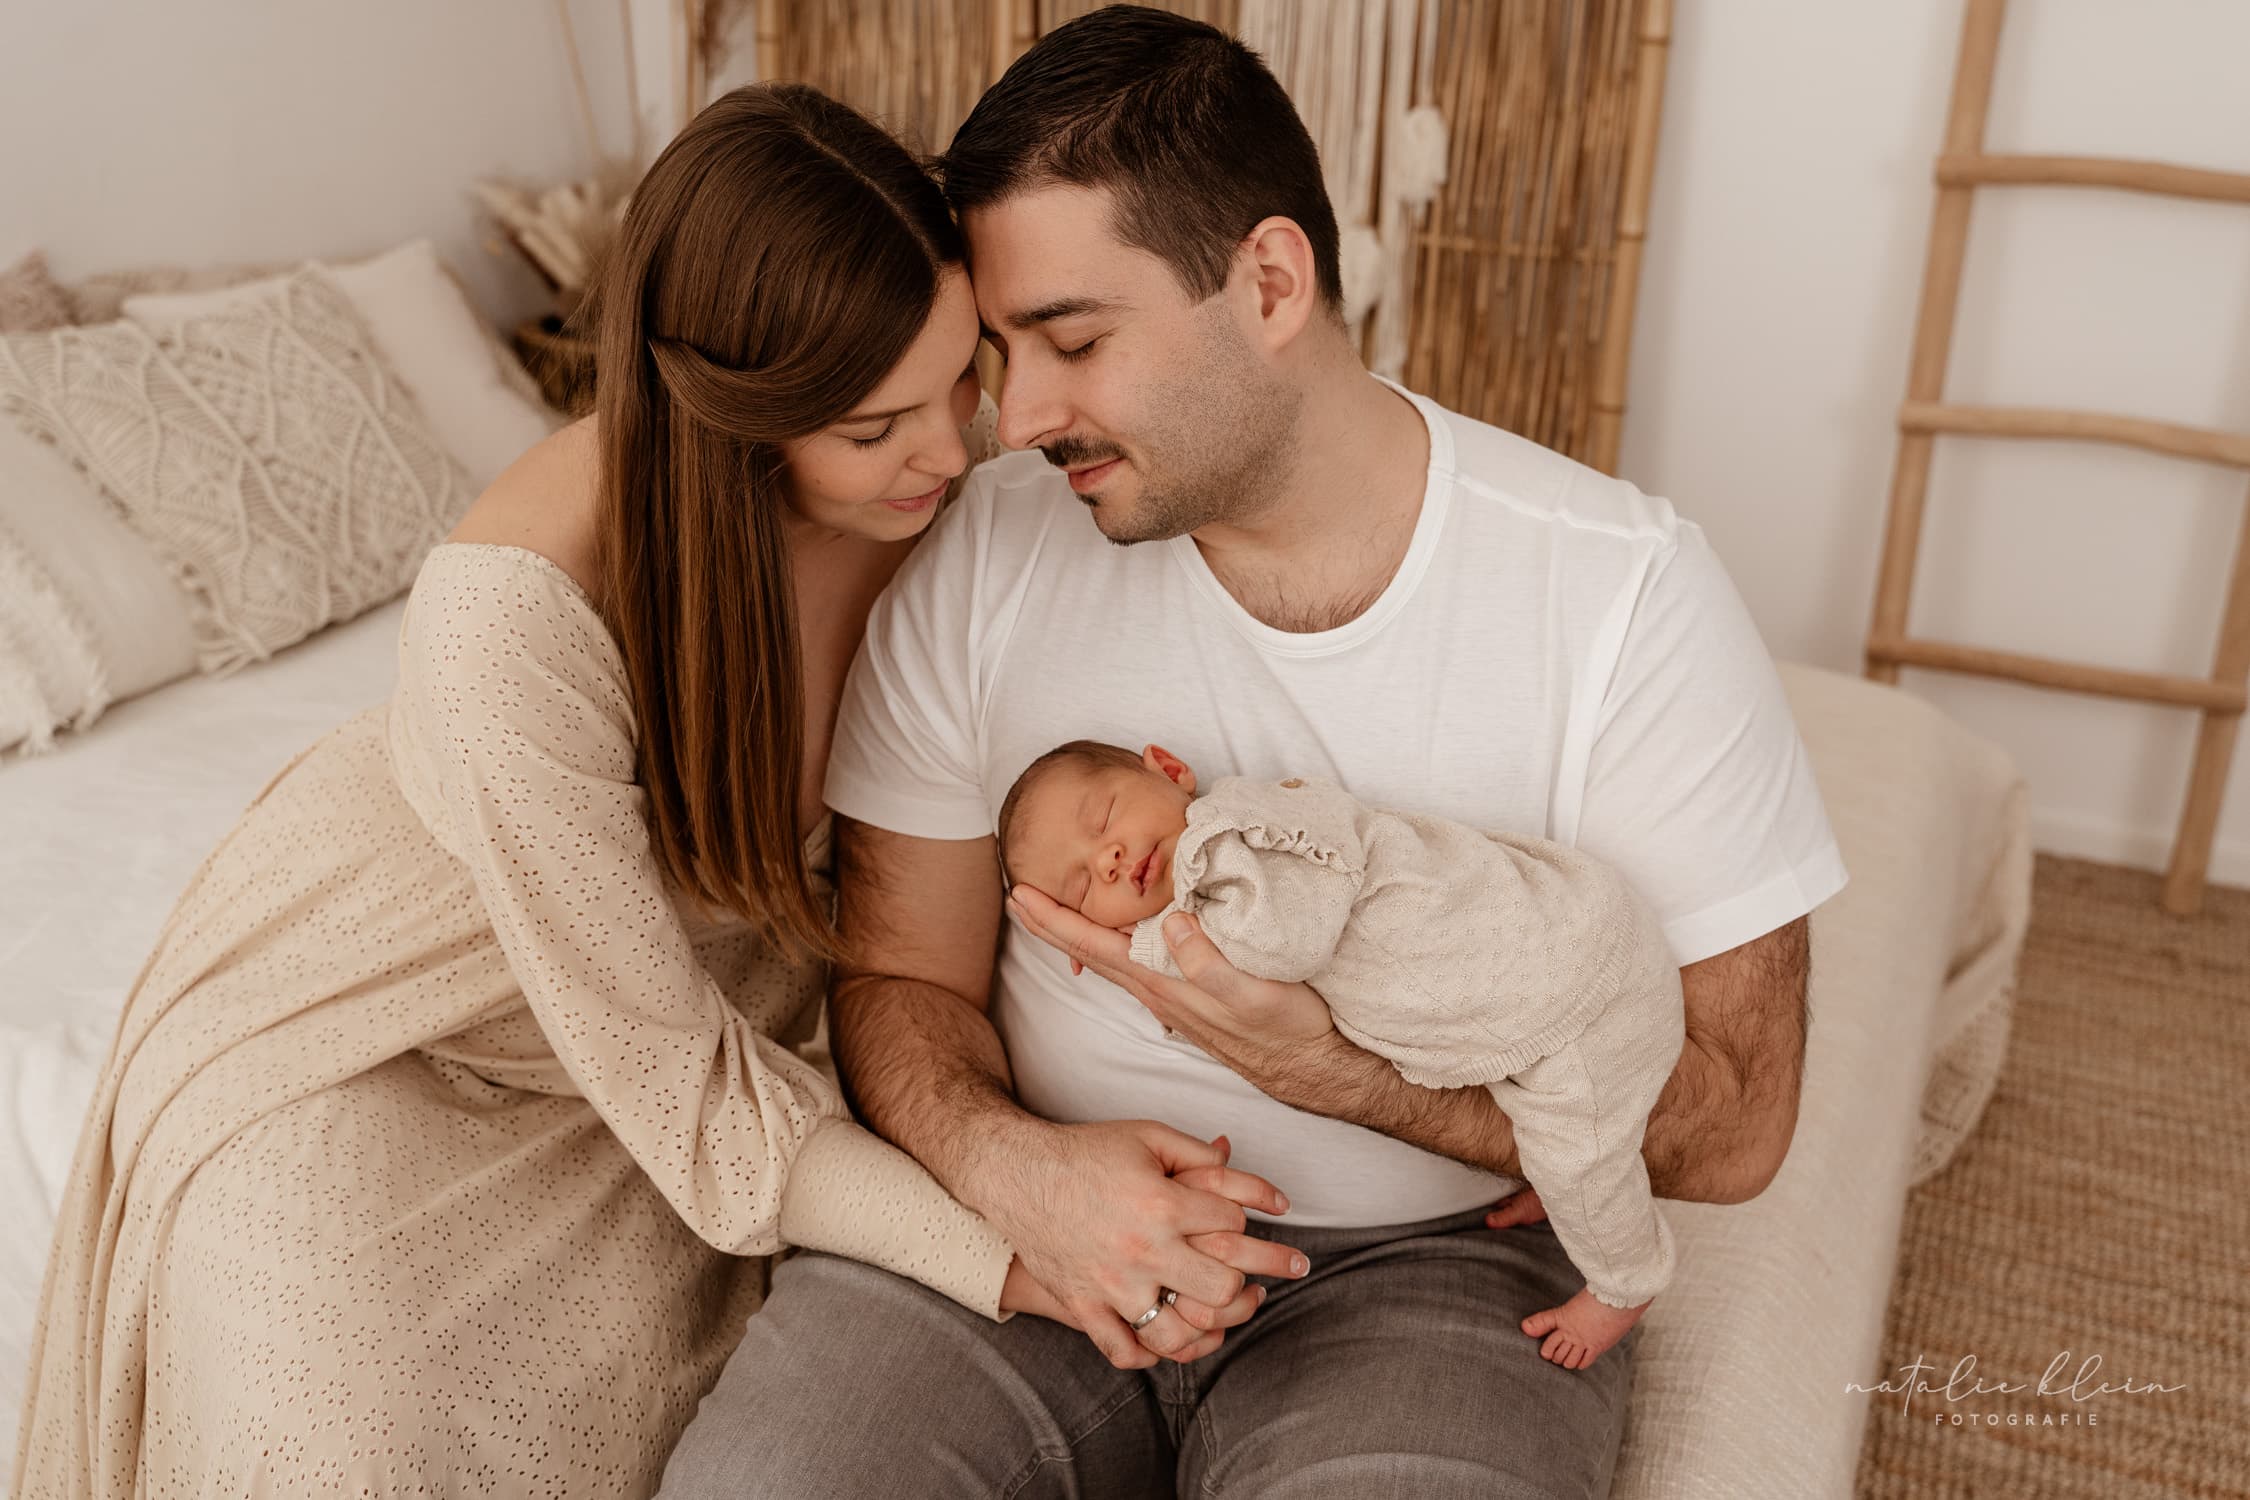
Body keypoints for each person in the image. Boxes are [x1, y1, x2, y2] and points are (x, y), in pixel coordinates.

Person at [10, 83, 1288, 1499]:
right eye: (874, 427)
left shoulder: (937, 497)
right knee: (343, 1432)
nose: (953, 449)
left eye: (959, 377)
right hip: (407, 1035)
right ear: (731, 418)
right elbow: (689, 1097)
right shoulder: (513, 624)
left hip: (710, 1034)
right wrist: (1011, 1248)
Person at [658, 8, 1848, 1498]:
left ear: (1269, 282)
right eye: (1003, 350)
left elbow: (1737, 1119)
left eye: (1074, 341)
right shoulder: (980, 558)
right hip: (1026, 1225)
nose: (1012, 420)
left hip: (1425, 1274)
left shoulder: (1620, 593)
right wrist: (1015, 1170)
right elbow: (899, 978)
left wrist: (1354, 1080)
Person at [995, 737, 1687, 1370]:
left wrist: (1147, 952)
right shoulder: (1226, 856)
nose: (1109, 857)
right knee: (1555, 1138)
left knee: (1583, 1148)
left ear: (1172, 771)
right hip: (1544, 974)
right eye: (1082, 886)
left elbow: (1281, 944)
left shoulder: (1232, 843)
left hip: (1578, 997)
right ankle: (1564, 1191)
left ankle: (1626, 1280)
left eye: (1105, 816)